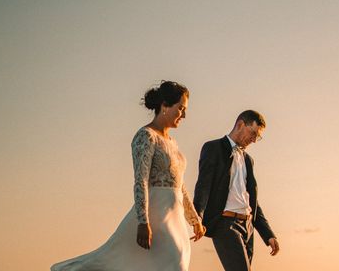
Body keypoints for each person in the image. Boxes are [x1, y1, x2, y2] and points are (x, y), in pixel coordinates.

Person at [51, 80, 205, 271]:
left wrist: (194, 220)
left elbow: (179, 186)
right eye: (181, 108)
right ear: (165, 105)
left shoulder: (173, 143)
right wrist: (143, 221)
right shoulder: (146, 136)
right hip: (155, 219)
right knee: (174, 266)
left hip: (176, 220)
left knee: (177, 264)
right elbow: (141, 180)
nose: (184, 115)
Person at [193, 110, 280, 271]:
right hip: (225, 224)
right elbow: (203, 185)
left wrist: (268, 234)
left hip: (248, 226)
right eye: (252, 133)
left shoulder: (248, 160)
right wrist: (197, 216)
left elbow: (252, 201)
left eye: (257, 137)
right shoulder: (213, 148)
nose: (254, 140)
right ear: (240, 124)